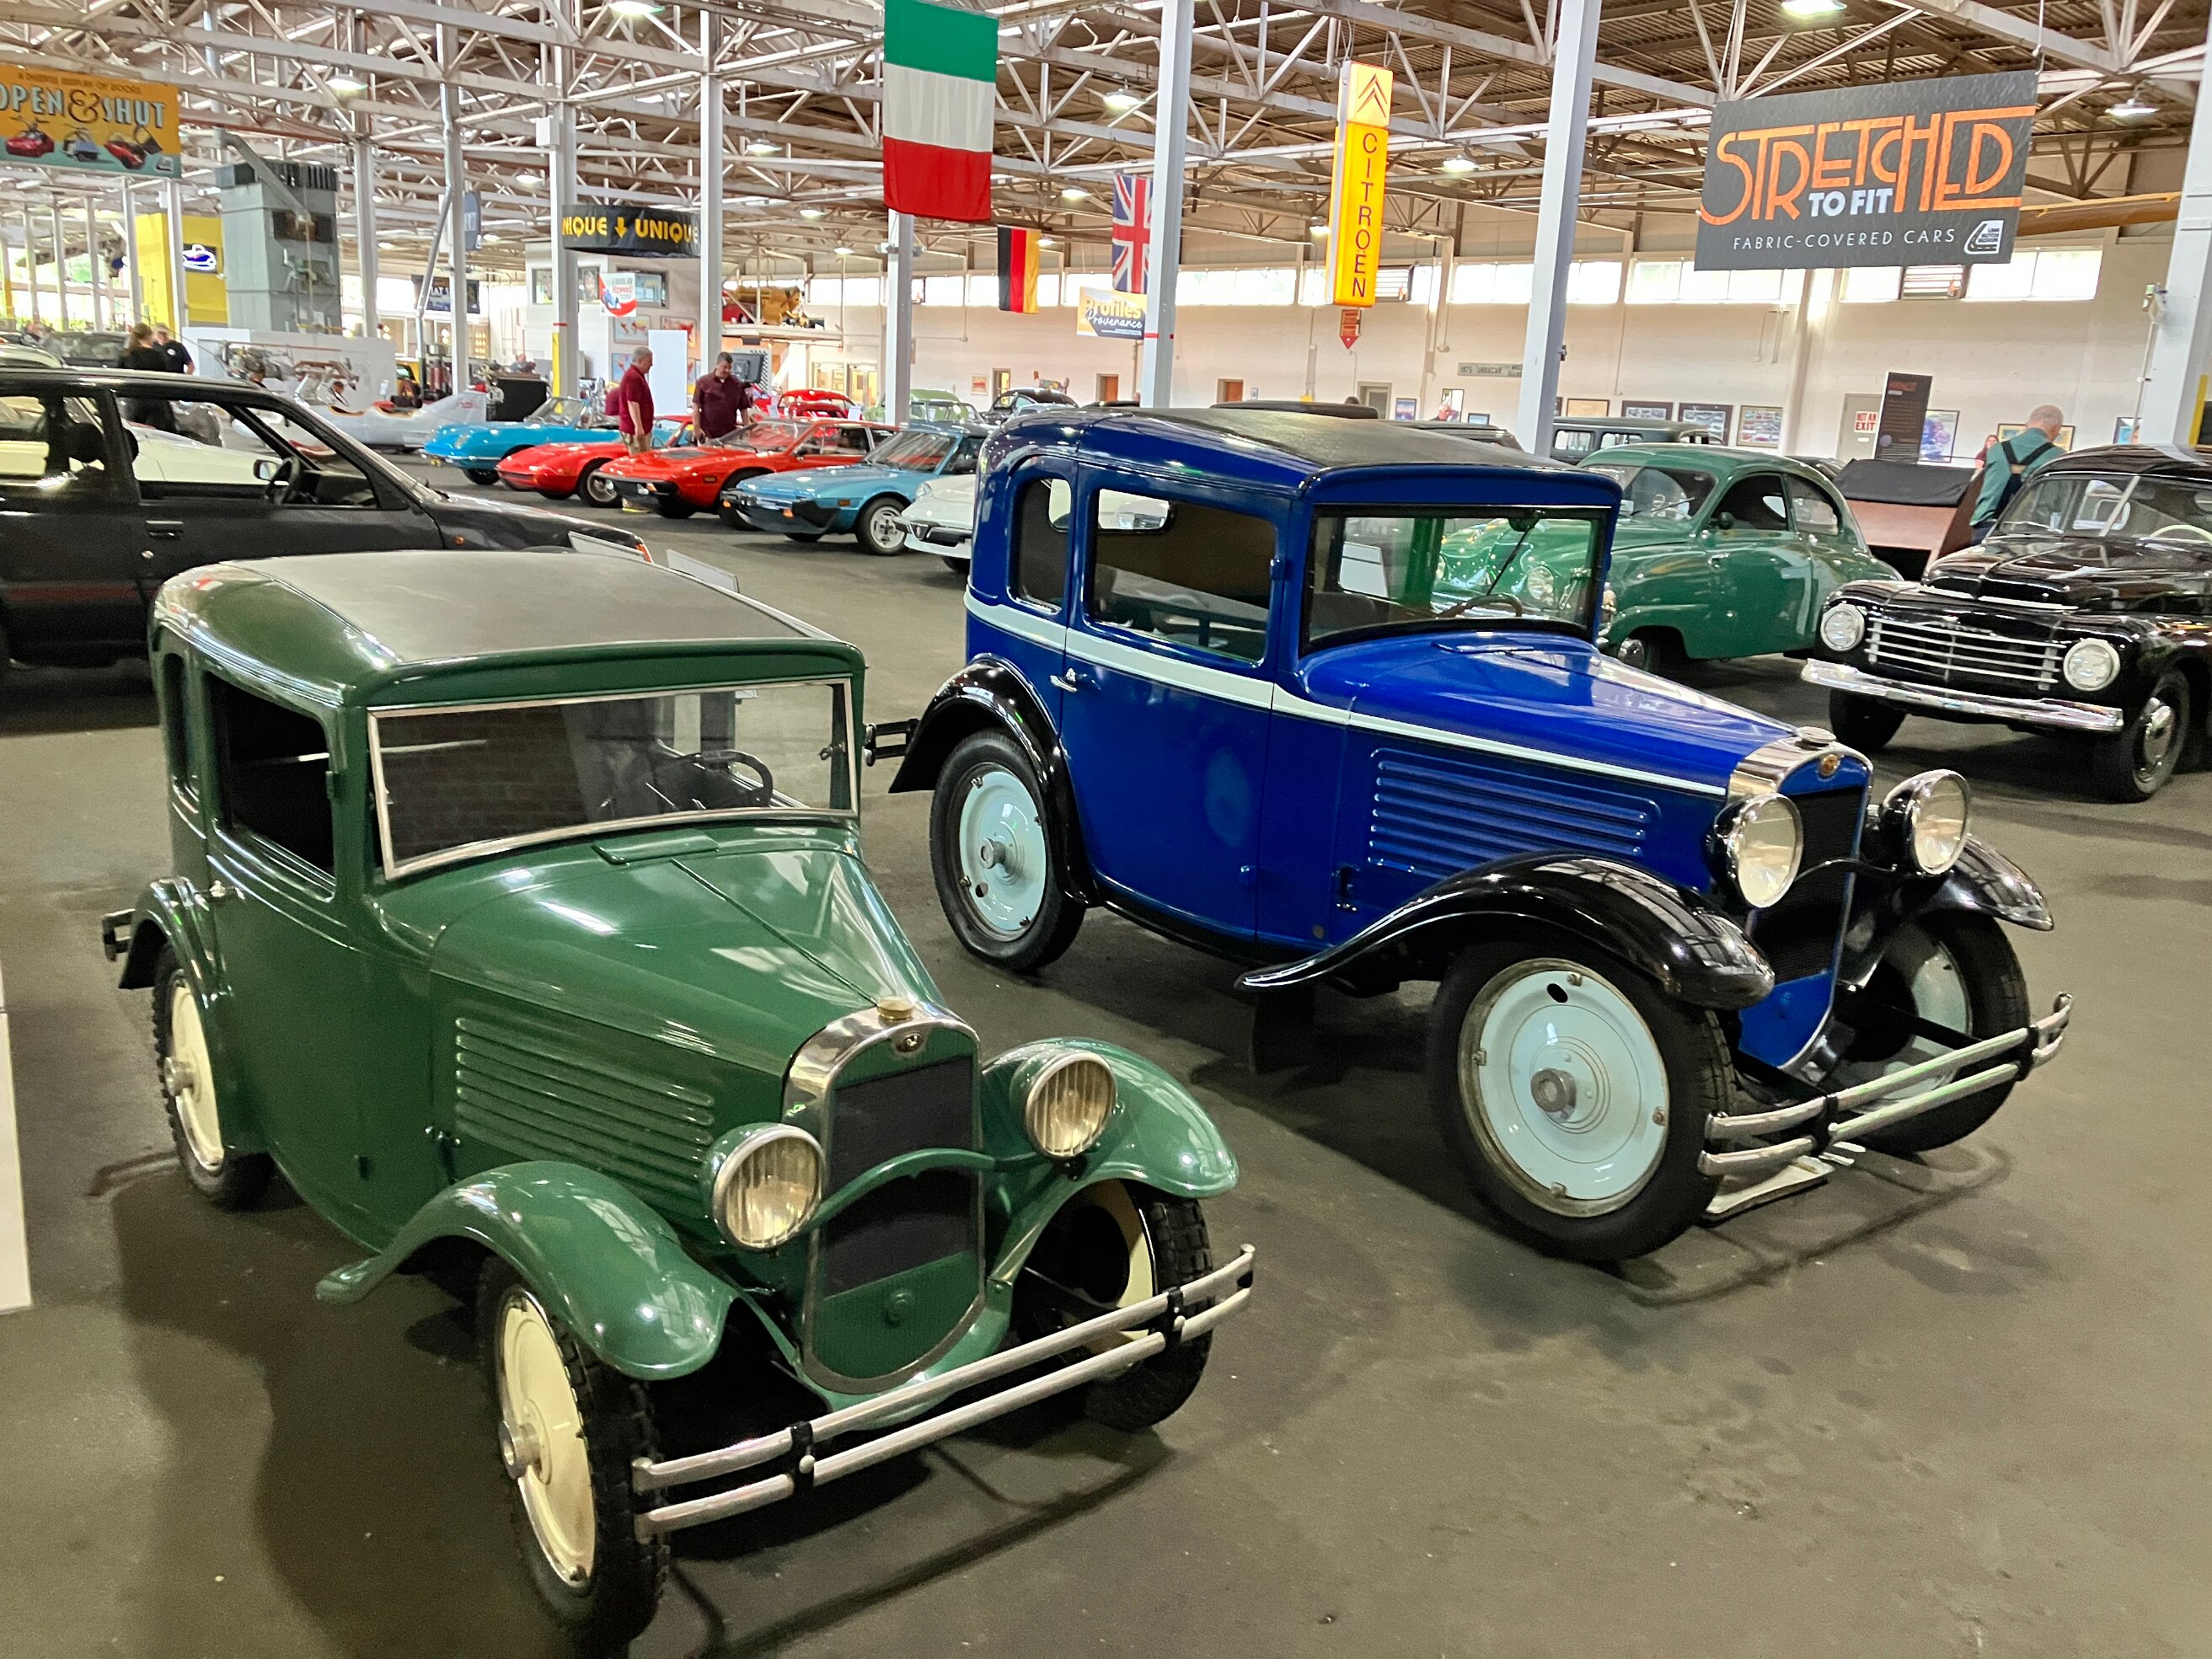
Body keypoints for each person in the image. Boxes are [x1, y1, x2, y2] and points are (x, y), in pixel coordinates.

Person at [1968, 404, 2065, 542]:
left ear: (2026, 426)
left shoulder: (1996, 450)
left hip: (1987, 526)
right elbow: (2060, 504)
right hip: (2028, 531)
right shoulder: (2058, 457)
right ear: (2056, 429)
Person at [120, 323, 179, 432]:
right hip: (156, 401)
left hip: (134, 402)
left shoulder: (126, 355)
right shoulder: (158, 355)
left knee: (135, 434)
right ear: (149, 335)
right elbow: (165, 377)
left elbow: (119, 377)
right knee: (156, 436)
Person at [692, 351, 742, 442]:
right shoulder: (703, 382)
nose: (727, 370)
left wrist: (746, 429)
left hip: (730, 434)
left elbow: (744, 408)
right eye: (725, 367)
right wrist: (696, 428)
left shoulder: (736, 384)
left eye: (730, 368)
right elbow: (696, 406)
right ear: (718, 364)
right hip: (707, 433)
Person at [616, 346, 656, 456]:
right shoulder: (633, 377)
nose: (651, 365)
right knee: (640, 459)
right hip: (635, 430)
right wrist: (638, 427)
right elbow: (633, 403)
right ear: (641, 360)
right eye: (649, 361)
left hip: (639, 428)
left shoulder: (636, 376)